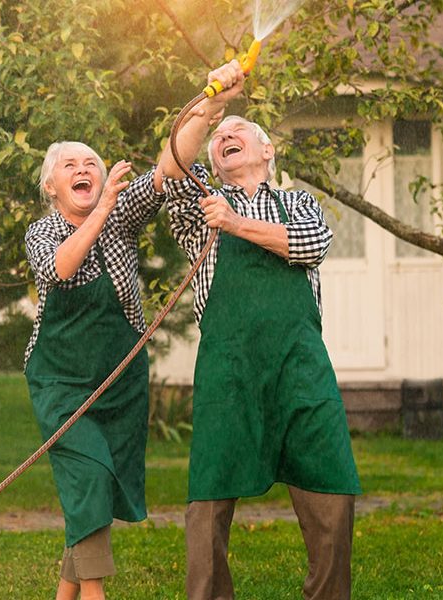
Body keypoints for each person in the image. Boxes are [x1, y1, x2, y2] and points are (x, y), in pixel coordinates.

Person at [159, 61, 362, 600]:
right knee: (207, 503)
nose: (226, 137)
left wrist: (236, 224)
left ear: (268, 151)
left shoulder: (298, 203)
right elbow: (172, 163)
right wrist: (214, 106)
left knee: (332, 490)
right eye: (219, 138)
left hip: (300, 368)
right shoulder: (198, 207)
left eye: (238, 131)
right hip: (228, 371)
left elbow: (312, 245)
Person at [23, 141, 166, 600]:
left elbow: (168, 172)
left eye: (92, 165)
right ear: (52, 185)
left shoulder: (121, 215)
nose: (83, 170)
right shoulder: (42, 232)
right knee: (90, 477)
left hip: (119, 384)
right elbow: (61, 268)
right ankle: (94, 593)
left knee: (94, 489)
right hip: (60, 382)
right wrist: (101, 210)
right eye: (71, 165)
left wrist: (207, 105)